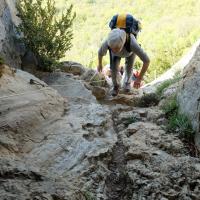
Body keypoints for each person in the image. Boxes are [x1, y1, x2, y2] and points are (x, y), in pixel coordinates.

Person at [97, 25, 150, 96]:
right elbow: (100, 53)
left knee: (129, 68)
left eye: (117, 48)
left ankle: (127, 84)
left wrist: (139, 79)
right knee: (113, 70)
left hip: (130, 53)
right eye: (112, 48)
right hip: (116, 56)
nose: (114, 51)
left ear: (123, 44)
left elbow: (146, 61)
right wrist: (100, 64)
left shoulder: (132, 44)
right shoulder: (108, 42)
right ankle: (116, 86)